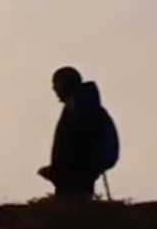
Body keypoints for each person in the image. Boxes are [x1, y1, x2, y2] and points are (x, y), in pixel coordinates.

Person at [37, 66, 118, 200]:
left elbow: (73, 147)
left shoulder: (79, 109)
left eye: (55, 84)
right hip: (78, 176)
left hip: (75, 179)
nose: (54, 89)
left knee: (73, 211)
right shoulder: (84, 107)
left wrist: (59, 171)